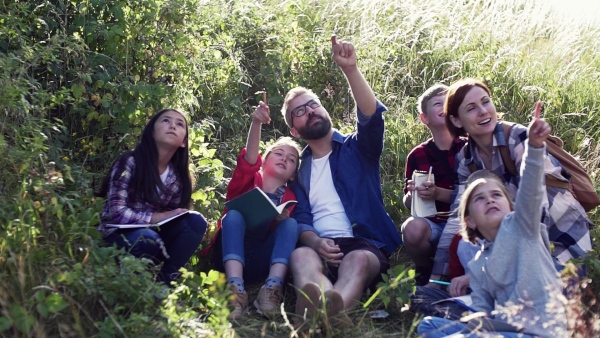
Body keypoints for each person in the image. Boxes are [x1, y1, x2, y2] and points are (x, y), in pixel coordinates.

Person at [418, 102, 568, 337]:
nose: (490, 200)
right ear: (469, 220)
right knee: (428, 325)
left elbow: (531, 188)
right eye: (479, 199)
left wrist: (535, 147)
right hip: (503, 330)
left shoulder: (522, 228)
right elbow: (482, 316)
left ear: (511, 207)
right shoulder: (477, 262)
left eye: (497, 195)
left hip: (539, 332)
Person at [282, 35, 402, 324]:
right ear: (295, 131)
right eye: (299, 111)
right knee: (300, 257)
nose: (309, 111)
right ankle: (325, 305)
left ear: (324, 109)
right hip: (321, 247)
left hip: (363, 244)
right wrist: (314, 241)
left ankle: (331, 312)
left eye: (313, 104)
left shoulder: (358, 149)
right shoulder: (298, 171)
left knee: (357, 260)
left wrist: (350, 69)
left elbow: (371, 118)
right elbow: (300, 217)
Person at [429, 78, 592, 283]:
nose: (483, 111)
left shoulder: (520, 138)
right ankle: (454, 290)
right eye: (471, 108)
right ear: (456, 120)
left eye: (486, 101)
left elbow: (536, 210)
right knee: (463, 244)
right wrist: (437, 277)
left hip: (561, 237)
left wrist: (499, 264)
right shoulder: (466, 160)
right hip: (513, 244)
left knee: (537, 289)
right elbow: (457, 219)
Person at [97, 108, 208, 286]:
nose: (172, 125)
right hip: (117, 237)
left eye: (180, 124)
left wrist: (170, 217)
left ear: (183, 142)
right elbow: (117, 213)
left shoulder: (176, 179)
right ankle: (126, 282)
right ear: (151, 131)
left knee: (196, 221)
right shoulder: (130, 162)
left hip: (153, 241)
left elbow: (173, 222)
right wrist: (158, 218)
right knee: (147, 238)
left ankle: (165, 284)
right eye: (165, 121)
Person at [212, 101, 302, 319]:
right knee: (233, 216)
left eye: (291, 160)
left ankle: (271, 289)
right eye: (278, 154)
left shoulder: (290, 197)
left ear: (292, 175)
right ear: (264, 161)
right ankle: (234, 291)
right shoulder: (250, 179)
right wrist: (256, 122)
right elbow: (249, 159)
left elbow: (284, 238)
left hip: (259, 261)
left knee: (291, 224)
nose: (284, 159)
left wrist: (280, 222)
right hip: (227, 255)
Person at [402, 84, 467, 285]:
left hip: (466, 223)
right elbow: (407, 202)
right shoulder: (418, 154)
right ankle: (425, 269)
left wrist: (438, 193)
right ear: (425, 118)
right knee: (411, 227)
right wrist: (412, 195)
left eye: (448, 102)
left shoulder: (469, 146)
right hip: (434, 224)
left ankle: (456, 275)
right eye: (438, 103)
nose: (444, 106)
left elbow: (476, 194)